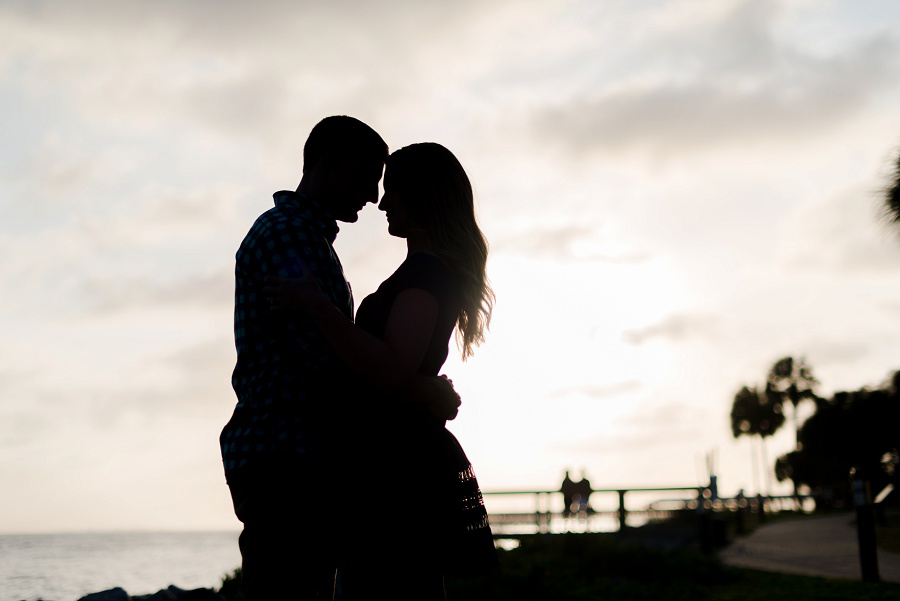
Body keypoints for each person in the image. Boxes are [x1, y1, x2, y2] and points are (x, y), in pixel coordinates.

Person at [219, 117, 460, 601]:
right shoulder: (290, 238)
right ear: (328, 163)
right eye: (368, 178)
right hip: (287, 459)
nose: (374, 197)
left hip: (297, 461)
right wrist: (426, 391)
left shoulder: (309, 242)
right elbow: (328, 361)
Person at [266, 142, 499, 600]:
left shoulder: (425, 279)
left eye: (392, 191)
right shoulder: (425, 274)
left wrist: (316, 305)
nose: (383, 202)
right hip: (392, 463)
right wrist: (429, 390)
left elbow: (390, 372)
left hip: (397, 472)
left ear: (420, 197)